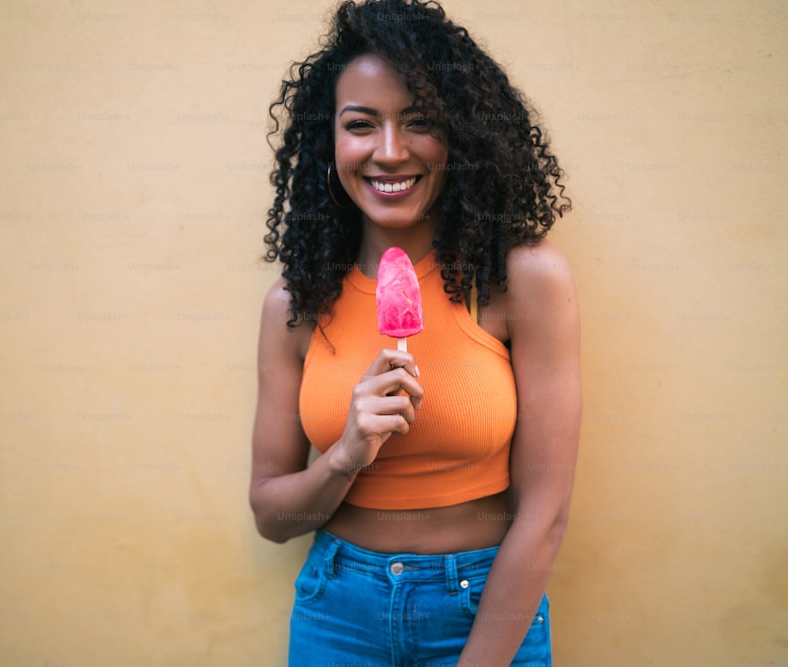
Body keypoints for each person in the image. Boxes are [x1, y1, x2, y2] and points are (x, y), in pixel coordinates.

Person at [249, 1, 580, 664]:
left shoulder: (523, 279)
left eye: (420, 122)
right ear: (329, 143)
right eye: (361, 125)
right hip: (336, 611)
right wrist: (346, 455)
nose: (391, 151)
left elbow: (545, 513)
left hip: (484, 609)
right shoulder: (296, 303)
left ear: (460, 136)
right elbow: (271, 515)